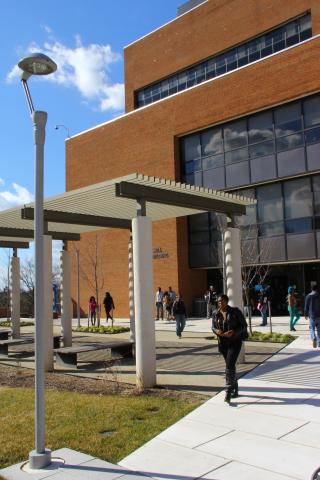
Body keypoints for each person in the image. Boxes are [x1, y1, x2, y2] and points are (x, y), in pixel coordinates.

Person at [212, 294, 248, 403]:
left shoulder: (235, 311)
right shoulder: (215, 313)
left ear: (227, 301)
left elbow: (244, 326)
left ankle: (228, 390)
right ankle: (235, 390)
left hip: (235, 342)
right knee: (230, 366)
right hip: (223, 343)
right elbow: (213, 326)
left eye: (222, 301)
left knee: (229, 365)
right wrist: (216, 331)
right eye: (218, 301)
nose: (220, 303)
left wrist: (234, 332)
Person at [304, 284, 320, 348]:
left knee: (311, 328)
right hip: (319, 316)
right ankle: (319, 343)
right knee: (319, 330)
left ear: (311, 289)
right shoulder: (319, 295)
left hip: (312, 316)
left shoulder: (308, 296)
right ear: (317, 289)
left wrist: (305, 314)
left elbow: (306, 307)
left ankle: (313, 338)